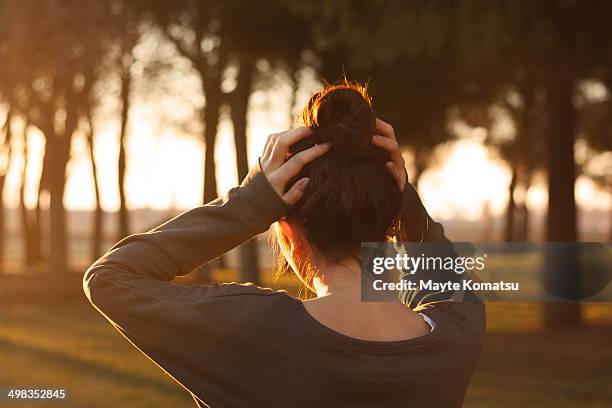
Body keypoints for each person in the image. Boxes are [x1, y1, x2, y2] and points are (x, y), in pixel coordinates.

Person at [84, 82, 485, 408]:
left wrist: (250, 202)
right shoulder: (454, 338)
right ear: (385, 226)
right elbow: (447, 282)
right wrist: (406, 207)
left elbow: (110, 278)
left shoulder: (252, 332)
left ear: (287, 231)